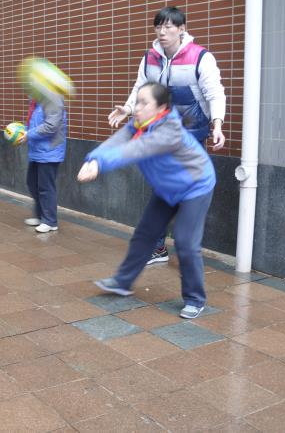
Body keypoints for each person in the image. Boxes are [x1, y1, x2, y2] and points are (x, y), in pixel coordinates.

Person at [81, 83, 216, 319]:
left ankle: (195, 299)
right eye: (138, 101)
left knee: (185, 243)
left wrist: (100, 165)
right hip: (167, 188)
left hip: (194, 187)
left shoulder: (169, 131)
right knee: (145, 233)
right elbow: (118, 141)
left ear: (162, 107)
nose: (138, 107)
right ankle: (122, 282)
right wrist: (93, 158)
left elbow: (136, 150)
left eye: (144, 103)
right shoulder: (139, 123)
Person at [107, 6, 225, 265]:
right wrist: (127, 108)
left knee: (189, 191)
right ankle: (160, 247)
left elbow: (215, 92)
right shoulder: (150, 57)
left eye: (169, 26)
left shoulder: (200, 57)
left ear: (182, 29)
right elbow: (141, 87)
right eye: (158, 26)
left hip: (192, 134)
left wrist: (217, 123)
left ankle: (186, 246)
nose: (162, 31)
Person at [18, 93, 67, 233]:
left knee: (46, 188)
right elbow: (34, 123)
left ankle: (50, 221)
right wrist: (21, 132)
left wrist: (28, 134)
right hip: (37, 151)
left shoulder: (54, 100)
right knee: (32, 183)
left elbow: (51, 126)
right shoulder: (37, 101)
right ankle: (40, 216)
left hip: (50, 152)